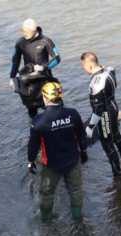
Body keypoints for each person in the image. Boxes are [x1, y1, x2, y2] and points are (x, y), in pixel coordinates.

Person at [28, 82, 88, 223]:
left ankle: (46, 220)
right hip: (72, 161)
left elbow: (33, 145)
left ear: (45, 97)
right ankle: (78, 219)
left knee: (47, 194)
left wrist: (30, 161)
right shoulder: (72, 114)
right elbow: (81, 135)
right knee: (76, 190)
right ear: (60, 95)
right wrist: (84, 152)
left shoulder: (38, 121)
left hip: (51, 165)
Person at [80, 52, 121, 177]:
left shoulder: (95, 84)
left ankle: (117, 175)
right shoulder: (109, 71)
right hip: (114, 107)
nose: (83, 70)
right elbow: (113, 78)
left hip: (105, 115)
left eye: (83, 66)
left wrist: (90, 127)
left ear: (89, 65)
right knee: (117, 135)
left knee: (107, 144)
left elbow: (98, 110)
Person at [10, 18, 61, 118]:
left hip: (44, 79)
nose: (23, 33)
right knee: (31, 110)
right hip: (28, 81)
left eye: (25, 31)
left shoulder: (46, 41)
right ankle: (34, 129)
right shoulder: (20, 42)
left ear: (33, 31)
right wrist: (12, 78)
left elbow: (57, 58)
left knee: (54, 108)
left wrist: (43, 67)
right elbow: (15, 61)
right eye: (22, 30)